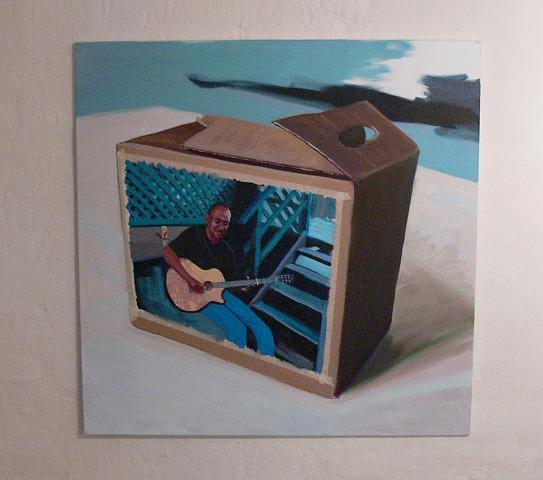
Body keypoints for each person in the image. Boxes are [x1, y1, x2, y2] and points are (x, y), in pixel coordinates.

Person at [163, 203, 275, 355]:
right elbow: (167, 252)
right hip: (194, 296)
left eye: (225, 223)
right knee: (238, 329)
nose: (221, 227)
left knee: (261, 327)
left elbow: (225, 282)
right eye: (217, 221)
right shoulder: (194, 234)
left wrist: (241, 286)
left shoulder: (225, 249)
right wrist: (190, 280)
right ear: (207, 219)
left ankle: (266, 362)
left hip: (217, 292)